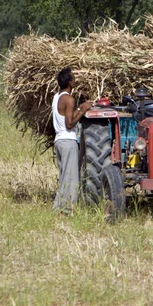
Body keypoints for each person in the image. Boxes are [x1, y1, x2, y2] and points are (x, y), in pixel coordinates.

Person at [52, 67, 93, 213]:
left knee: (64, 176)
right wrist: (84, 110)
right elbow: (69, 123)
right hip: (68, 142)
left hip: (59, 141)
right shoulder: (69, 99)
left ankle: (58, 208)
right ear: (69, 82)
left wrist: (80, 108)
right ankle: (67, 210)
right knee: (71, 178)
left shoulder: (57, 97)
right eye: (73, 78)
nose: (75, 80)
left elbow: (65, 117)